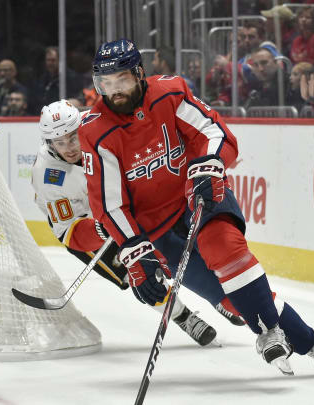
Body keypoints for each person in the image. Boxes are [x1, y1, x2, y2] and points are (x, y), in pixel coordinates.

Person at [78, 38, 314, 377]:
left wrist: (209, 163)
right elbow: (109, 203)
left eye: (120, 80)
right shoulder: (95, 130)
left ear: (139, 74)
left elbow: (212, 130)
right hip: (160, 230)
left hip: (198, 195)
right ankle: (290, 333)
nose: (113, 91)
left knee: (228, 254)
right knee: (235, 301)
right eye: (104, 84)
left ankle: (308, 344)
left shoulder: (169, 92)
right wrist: (136, 254)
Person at [31, 100, 240, 346]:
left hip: (122, 209)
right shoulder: (48, 176)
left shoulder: (99, 128)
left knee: (180, 248)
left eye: (73, 137)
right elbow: (70, 233)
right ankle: (181, 316)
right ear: (48, 143)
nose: (69, 147)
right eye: (60, 142)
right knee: (140, 277)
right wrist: (101, 228)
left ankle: (220, 296)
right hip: (89, 229)